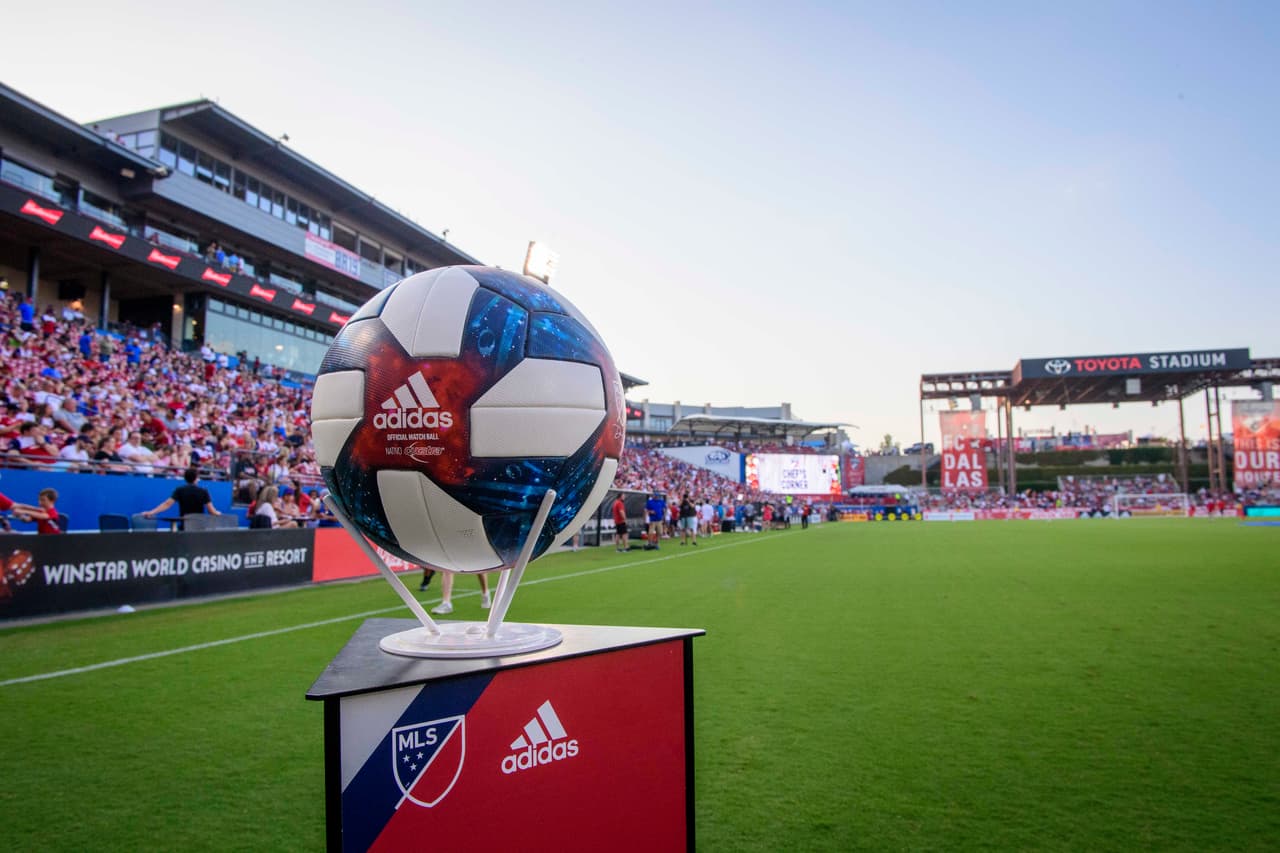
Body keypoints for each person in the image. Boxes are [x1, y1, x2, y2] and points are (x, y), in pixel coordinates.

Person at [141, 467, 221, 522]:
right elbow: (212, 511)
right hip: (198, 524)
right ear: (196, 478)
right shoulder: (203, 491)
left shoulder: (180, 490)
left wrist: (151, 512)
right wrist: (218, 513)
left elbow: (167, 504)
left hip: (184, 524)